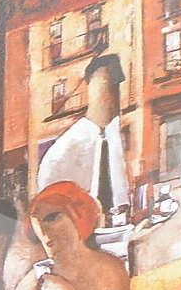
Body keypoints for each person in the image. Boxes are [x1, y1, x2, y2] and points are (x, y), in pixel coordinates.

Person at [37, 54, 128, 222]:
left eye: (116, 82)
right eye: (109, 81)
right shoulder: (63, 151)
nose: (114, 90)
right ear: (93, 86)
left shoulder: (116, 137)